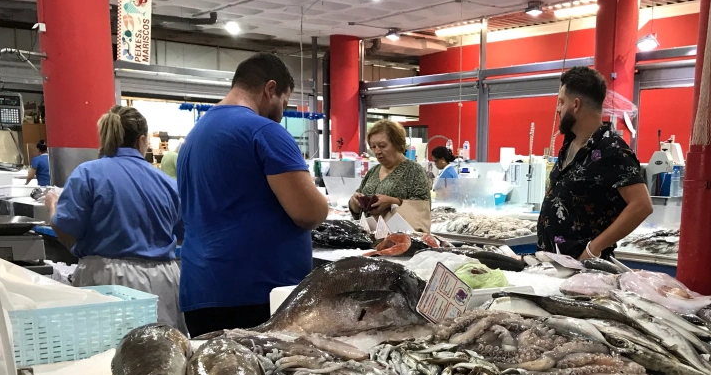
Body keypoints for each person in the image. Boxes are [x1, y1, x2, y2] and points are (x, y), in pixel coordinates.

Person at [177, 53, 328, 336]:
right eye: (284, 102)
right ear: (270, 89)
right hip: (255, 296)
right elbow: (309, 213)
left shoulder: (195, 135)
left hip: (201, 291)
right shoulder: (263, 130)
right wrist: (322, 202)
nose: (282, 112)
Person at [44, 106, 185, 329]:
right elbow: (181, 235)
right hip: (162, 281)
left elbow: (66, 230)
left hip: (106, 279)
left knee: (104, 355)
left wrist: (52, 206)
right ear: (142, 140)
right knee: (159, 355)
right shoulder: (167, 183)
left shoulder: (88, 174)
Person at [537, 67, 652, 260]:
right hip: (553, 264)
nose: (558, 109)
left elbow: (642, 205)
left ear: (575, 105)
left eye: (561, 102)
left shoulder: (611, 148)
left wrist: (593, 249)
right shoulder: (570, 144)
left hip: (584, 270)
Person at [350, 120, 431, 219]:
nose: (377, 151)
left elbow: (423, 208)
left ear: (397, 143)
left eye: (382, 146)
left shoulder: (414, 170)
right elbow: (357, 211)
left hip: (400, 233)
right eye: (373, 147)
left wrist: (393, 202)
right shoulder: (373, 171)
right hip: (370, 232)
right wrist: (354, 203)